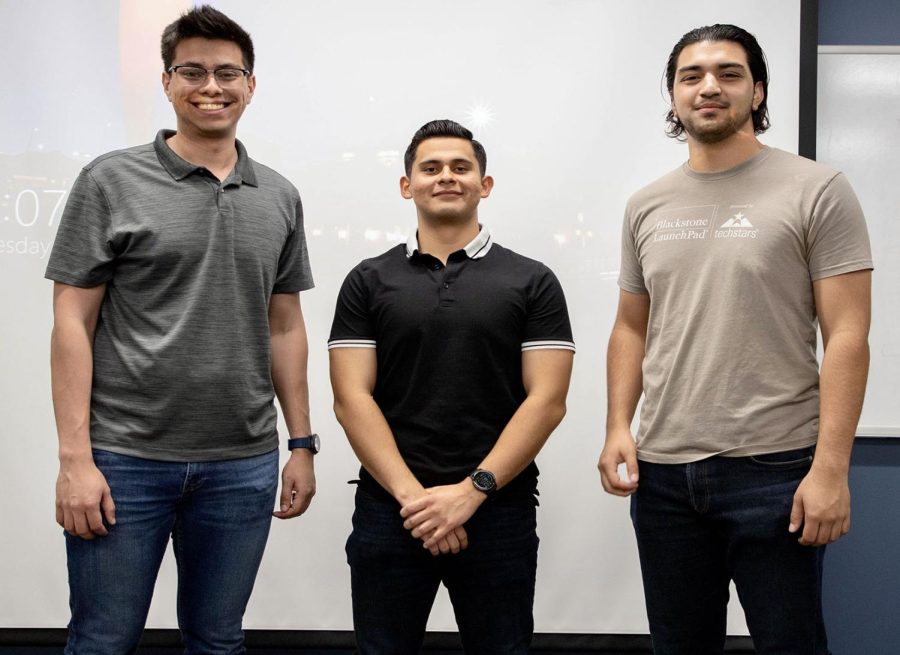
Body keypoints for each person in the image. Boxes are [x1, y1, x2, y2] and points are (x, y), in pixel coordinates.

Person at [46, 6, 318, 653]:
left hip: (242, 462)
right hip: (123, 460)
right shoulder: (110, 180)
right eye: (191, 71)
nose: (211, 86)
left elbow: (285, 326)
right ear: (167, 82)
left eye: (228, 72)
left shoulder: (279, 195)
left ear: (251, 85)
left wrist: (301, 441)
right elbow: (71, 321)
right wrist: (74, 459)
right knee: (102, 639)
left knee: (218, 639)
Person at [597, 24, 872, 654]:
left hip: (775, 470)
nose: (708, 87)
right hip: (664, 474)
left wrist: (830, 468)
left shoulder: (817, 189)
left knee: (790, 644)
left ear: (758, 91)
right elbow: (630, 326)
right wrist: (619, 425)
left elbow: (849, 336)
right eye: (691, 76)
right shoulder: (647, 204)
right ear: (673, 97)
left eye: (728, 73)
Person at [329, 119, 575, 654]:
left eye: (461, 168)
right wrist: (417, 501)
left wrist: (470, 493)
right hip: (391, 510)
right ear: (406, 184)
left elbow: (548, 401)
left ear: (484, 185)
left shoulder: (532, 280)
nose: (447, 177)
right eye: (431, 167)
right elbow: (351, 399)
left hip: (497, 510)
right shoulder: (368, 280)